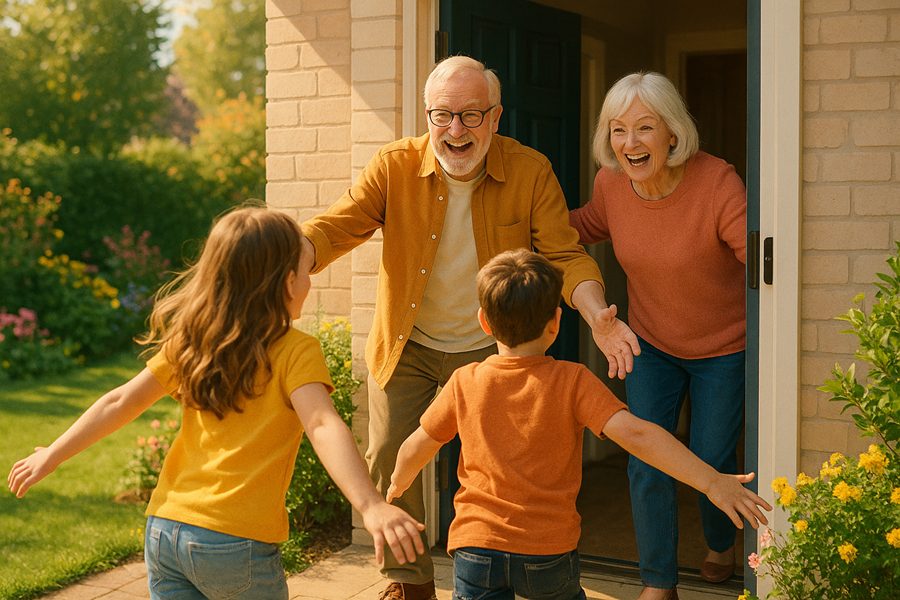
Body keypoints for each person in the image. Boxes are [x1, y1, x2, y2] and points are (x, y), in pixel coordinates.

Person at [300, 55, 639, 600]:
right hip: (407, 341)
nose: (455, 130)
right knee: (390, 452)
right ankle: (409, 583)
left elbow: (563, 253)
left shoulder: (529, 171)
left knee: (499, 467)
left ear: (496, 117)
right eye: (442, 115)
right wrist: (290, 254)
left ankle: (503, 568)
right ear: (428, 115)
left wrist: (596, 311)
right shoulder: (394, 166)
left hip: (488, 346)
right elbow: (339, 225)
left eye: (471, 115)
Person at [7, 206, 426, 599]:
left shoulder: (196, 338)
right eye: (305, 270)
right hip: (235, 542)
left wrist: (53, 455)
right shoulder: (294, 349)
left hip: (165, 529)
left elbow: (119, 401)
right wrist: (370, 505)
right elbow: (321, 424)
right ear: (284, 282)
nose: (310, 281)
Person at [385, 249, 770, 600]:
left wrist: (397, 486)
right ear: (555, 322)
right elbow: (638, 434)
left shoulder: (464, 381)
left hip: (475, 547)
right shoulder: (574, 381)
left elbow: (416, 446)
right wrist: (710, 481)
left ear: (484, 322)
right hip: (547, 552)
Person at [569, 71, 749, 599]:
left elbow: (761, 264)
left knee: (712, 457)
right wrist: (521, 219)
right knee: (647, 457)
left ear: (672, 133)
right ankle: (658, 583)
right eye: (619, 130)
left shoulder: (717, 182)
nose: (630, 143)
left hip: (725, 347)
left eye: (644, 128)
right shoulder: (611, 186)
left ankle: (721, 543)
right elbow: (575, 229)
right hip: (650, 345)